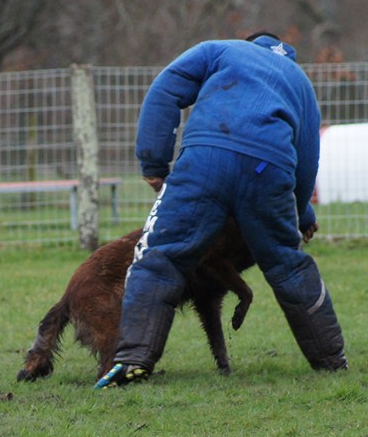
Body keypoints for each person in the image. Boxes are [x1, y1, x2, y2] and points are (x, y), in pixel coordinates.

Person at [95, 31, 348, 389]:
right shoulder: (300, 82)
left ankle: (134, 359)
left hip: (206, 157)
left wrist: (153, 160)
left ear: (248, 42)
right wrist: (302, 215)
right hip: (269, 167)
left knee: (160, 257)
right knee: (287, 263)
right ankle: (332, 362)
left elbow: (165, 89)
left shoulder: (219, 50)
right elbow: (307, 159)